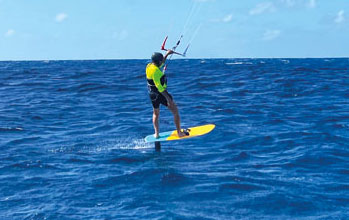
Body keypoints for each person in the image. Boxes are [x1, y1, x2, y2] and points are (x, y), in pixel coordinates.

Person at [146, 50, 188, 138]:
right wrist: (168, 100)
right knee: (175, 111)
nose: (162, 62)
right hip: (160, 94)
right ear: (158, 61)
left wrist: (167, 54)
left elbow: (160, 64)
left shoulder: (149, 66)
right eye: (161, 60)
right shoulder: (156, 72)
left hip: (152, 94)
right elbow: (160, 88)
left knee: (155, 113)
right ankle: (179, 133)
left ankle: (156, 134)